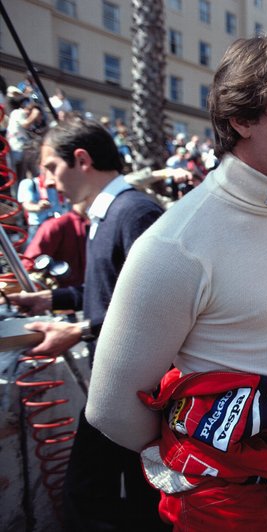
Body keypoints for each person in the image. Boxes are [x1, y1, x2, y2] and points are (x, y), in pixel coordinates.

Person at [84, 34, 267, 531]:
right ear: (241, 119)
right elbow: (110, 408)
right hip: (228, 505)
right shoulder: (174, 245)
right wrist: (215, 465)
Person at [6, 118, 167, 531]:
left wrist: (77, 330)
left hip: (135, 390)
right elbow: (108, 292)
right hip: (120, 385)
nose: (47, 180)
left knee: (92, 494)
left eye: (51, 168)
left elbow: (154, 304)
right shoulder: (107, 214)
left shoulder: (135, 212)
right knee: (135, 498)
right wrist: (49, 299)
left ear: (81, 159)